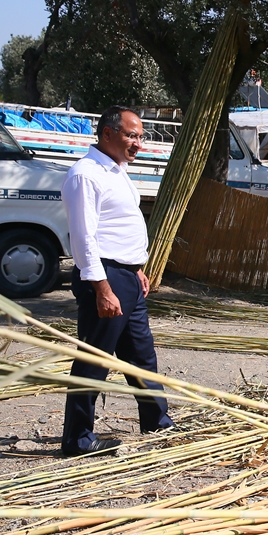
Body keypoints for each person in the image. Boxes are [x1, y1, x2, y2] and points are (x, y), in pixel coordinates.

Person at [59, 106, 173, 457]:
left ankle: (157, 422)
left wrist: (135, 268)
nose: (138, 143)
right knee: (94, 359)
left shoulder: (117, 169)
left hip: (126, 277)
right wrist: (103, 288)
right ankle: (77, 439)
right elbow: (84, 239)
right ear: (107, 134)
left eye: (140, 136)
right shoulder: (86, 175)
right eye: (131, 135)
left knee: (141, 354)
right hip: (105, 279)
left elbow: (117, 225)